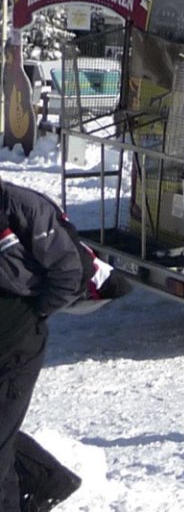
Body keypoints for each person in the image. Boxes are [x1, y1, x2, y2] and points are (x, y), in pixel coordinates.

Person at [1, 181, 89, 511]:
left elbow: (69, 271)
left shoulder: (25, 208)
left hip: (18, 346)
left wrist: (35, 312)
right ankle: (50, 481)